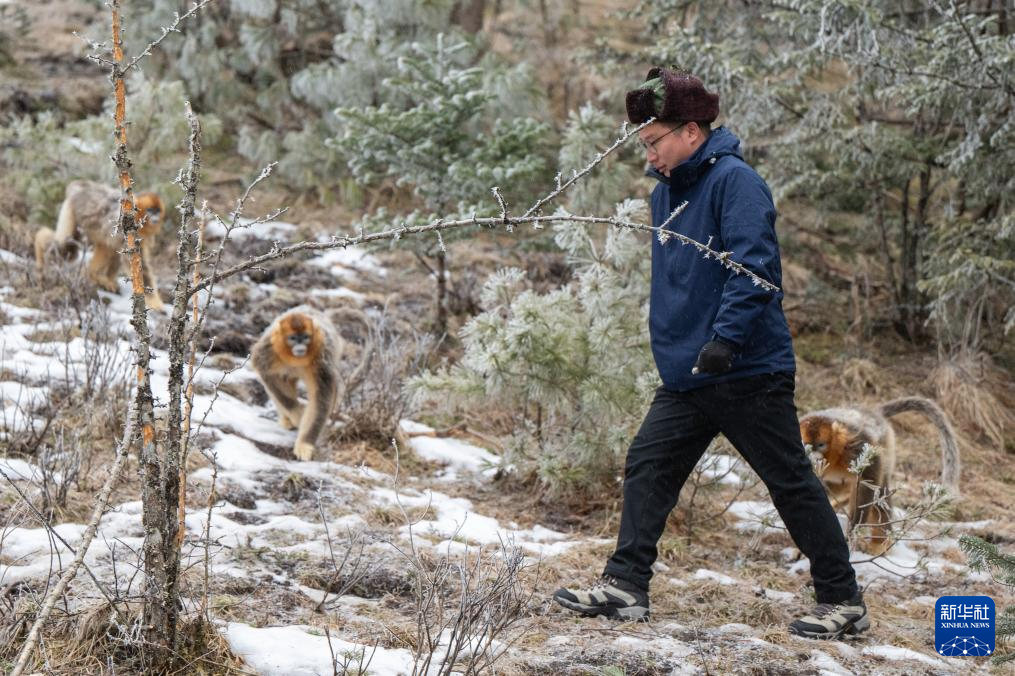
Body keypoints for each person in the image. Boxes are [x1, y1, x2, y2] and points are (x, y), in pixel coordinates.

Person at [552, 67, 868, 640]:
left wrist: (725, 339)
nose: (649, 155)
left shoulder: (736, 183)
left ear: (692, 131)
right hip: (688, 374)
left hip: (747, 369)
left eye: (655, 142)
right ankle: (625, 587)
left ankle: (843, 600)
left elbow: (755, 268)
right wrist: (680, 348)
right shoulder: (665, 193)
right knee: (649, 464)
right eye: (644, 144)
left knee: (789, 483)